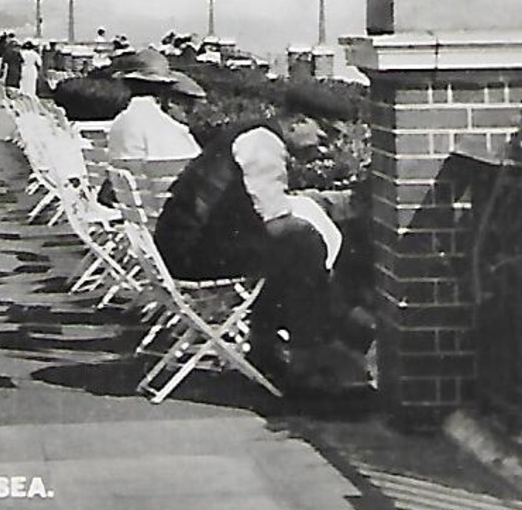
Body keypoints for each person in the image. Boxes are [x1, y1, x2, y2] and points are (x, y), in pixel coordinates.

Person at [153, 99, 366, 395]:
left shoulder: (251, 135)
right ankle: (309, 363)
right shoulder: (262, 144)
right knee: (303, 244)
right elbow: (277, 222)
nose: (326, 147)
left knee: (290, 249)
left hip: (184, 244)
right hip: (192, 254)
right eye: (324, 134)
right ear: (296, 121)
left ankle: (269, 348)